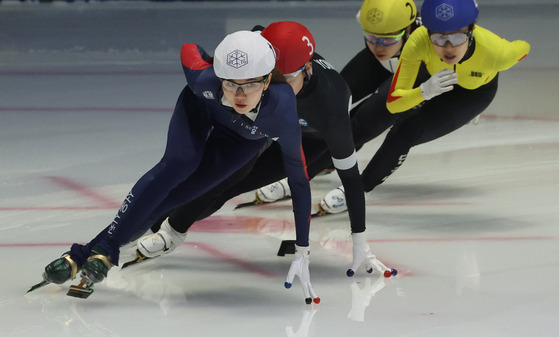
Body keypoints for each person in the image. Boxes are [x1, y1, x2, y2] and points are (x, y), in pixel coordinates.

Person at [37, 30, 319, 304]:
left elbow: (299, 181)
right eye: (231, 84)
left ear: (268, 80)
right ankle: (105, 250)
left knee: (176, 197)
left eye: (250, 85)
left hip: (241, 141)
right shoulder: (204, 80)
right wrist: (211, 61)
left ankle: (83, 254)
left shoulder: (282, 112)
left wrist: (303, 248)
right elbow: (189, 49)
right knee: (179, 164)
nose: (239, 95)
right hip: (201, 109)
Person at [137, 21, 390, 277]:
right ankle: (165, 225)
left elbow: (351, 180)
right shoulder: (261, 54)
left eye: (286, 79)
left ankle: (172, 231)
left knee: (233, 185)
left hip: (309, 140)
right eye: (269, 78)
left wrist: (360, 241)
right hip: (267, 125)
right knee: (222, 174)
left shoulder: (331, 109)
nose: (274, 88)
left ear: (307, 69)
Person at [315, 0, 530, 215]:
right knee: (359, 115)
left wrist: (490, 64)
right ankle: (307, 165)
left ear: (472, 31)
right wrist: (424, 92)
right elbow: (393, 102)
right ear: (426, 32)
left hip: (473, 93)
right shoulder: (418, 40)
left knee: (406, 131)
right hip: (431, 79)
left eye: (457, 37)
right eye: (438, 38)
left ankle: (358, 190)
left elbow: (523, 47)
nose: (448, 47)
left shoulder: (499, 52)